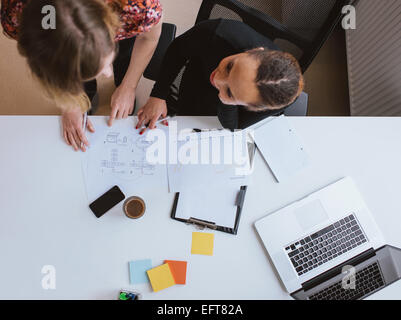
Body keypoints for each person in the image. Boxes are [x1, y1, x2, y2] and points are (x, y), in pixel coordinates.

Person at [1, 0, 162, 151]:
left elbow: (149, 38)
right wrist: (70, 103)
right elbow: (51, 61)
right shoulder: (18, 16)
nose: (107, 73)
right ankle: (87, 92)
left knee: (124, 60)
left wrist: (129, 85)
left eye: (105, 64)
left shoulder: (139, 7)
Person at [136, 19, 304, 131]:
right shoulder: (218, 33)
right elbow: (178, 50)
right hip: (199, 72)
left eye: (231, 91)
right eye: (230, 67)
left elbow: (234, 126)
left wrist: (226, 101)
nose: (217, 78)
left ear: (252, 107)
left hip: (225, 108)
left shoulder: (275, 101)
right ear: (255, 50)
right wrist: (158, 94)